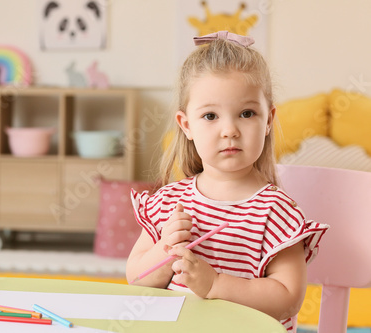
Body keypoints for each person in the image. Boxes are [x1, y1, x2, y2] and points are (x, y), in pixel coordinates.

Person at [126, 31, 329, 332]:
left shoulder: (275, 211)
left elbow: (289, 298)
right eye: (210, 116)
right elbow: (135, 278)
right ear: (186, 125)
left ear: (269, 120)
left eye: (246, 113)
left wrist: (216, 284)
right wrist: (165, 250)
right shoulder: (169, 203)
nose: (230, 130)